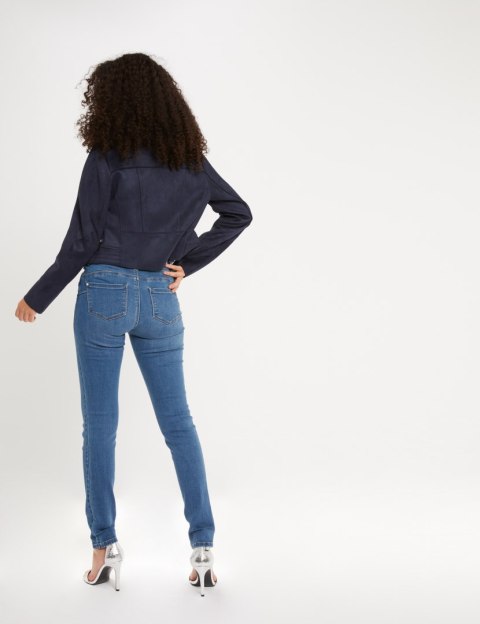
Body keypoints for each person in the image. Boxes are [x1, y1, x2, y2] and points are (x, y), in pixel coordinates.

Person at [15, 52, 253, 596]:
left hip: (105, 291)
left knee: (100, 425)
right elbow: (237, 212)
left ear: (110, 101)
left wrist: (37, 296)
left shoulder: (108, 155)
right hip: (160, 298)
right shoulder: (190, 161)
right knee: (179, 423)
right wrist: (185, 262)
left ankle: (104, 549)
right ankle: (203, 548)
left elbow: (82, 240)